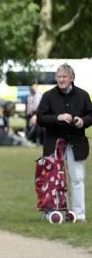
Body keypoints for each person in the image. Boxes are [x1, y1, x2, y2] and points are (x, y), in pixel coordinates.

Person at [35, 63, 92, 223]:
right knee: (52, 179)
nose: (61, 80)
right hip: (54, 143)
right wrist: (57, 118)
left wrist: (83, 121)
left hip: (76, 142)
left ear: (72, 78)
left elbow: (91, 115)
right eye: (59, 77)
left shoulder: (83, 95)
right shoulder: (48, 96)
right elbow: (40, 118)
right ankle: (52, 211)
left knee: (77, 178)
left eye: (64, 77)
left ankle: (79, 214)